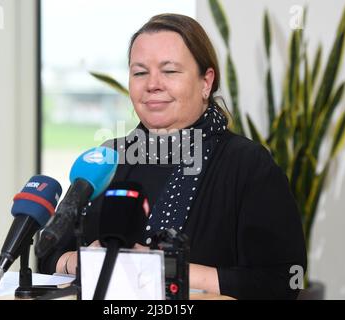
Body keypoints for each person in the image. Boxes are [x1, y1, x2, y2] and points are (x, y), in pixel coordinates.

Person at [38, 13, 307, 300]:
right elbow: (47, 252)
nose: (152, 84)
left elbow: (283, 280)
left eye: (170, 71)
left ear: (206, 81)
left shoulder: (249, 165)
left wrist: (158, 269)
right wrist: (80, 262)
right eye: (140, 72)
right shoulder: (107, 160)